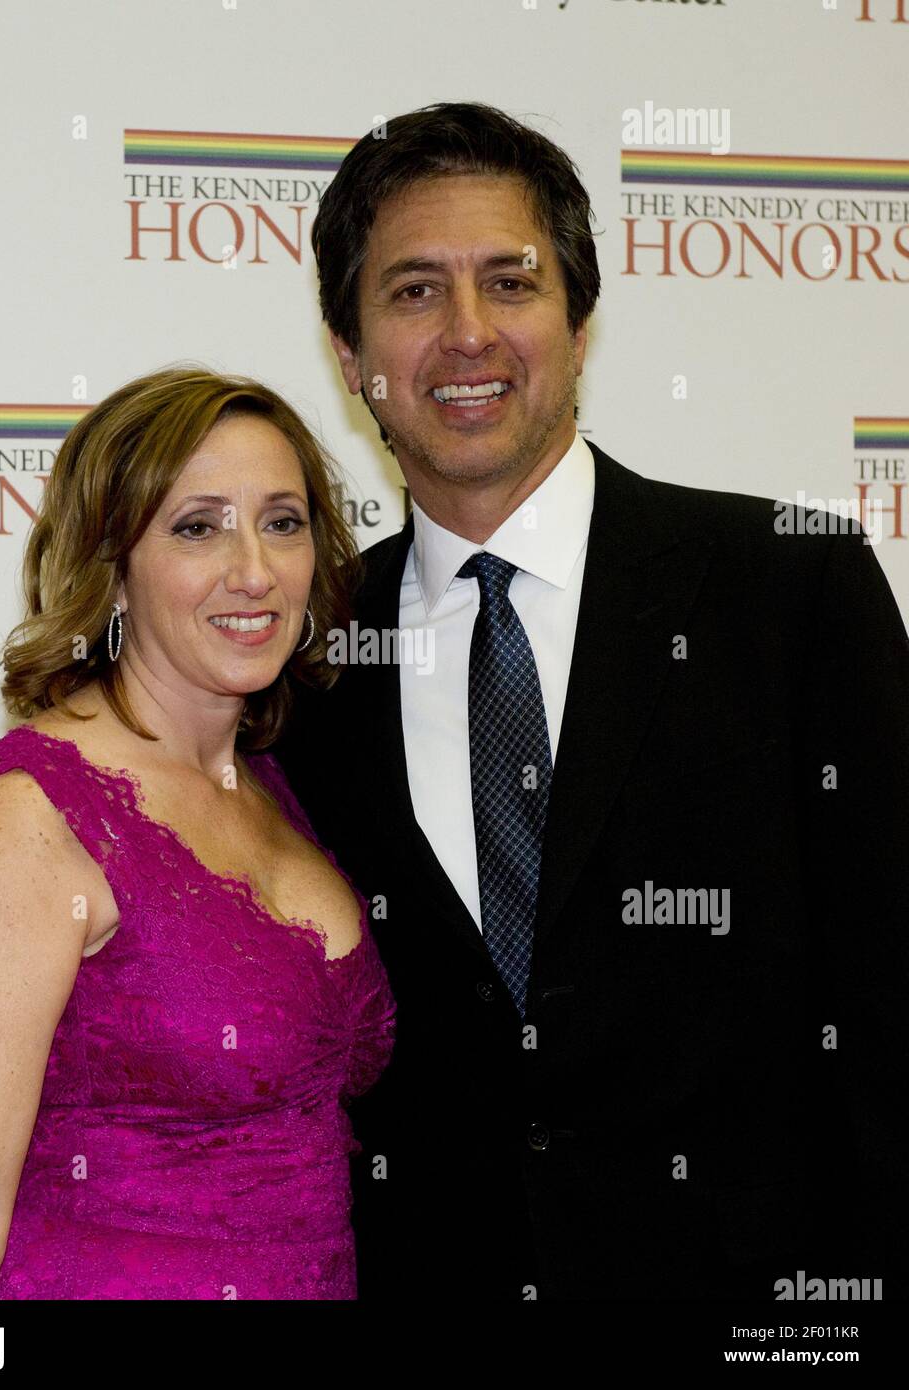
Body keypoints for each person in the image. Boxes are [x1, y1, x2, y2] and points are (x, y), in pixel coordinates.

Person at [274, 102, 909, 1300]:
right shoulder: (300, 656)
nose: (468, 335)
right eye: (413, 292)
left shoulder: (790, 585)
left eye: (510, 283)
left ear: (576, 320)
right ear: (349, 350)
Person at [0, 367, 395, 1300]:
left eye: (283, 521)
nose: (253, 569)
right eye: (197, 526)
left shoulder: (275, 787)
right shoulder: (33, 815)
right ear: (112, 565)